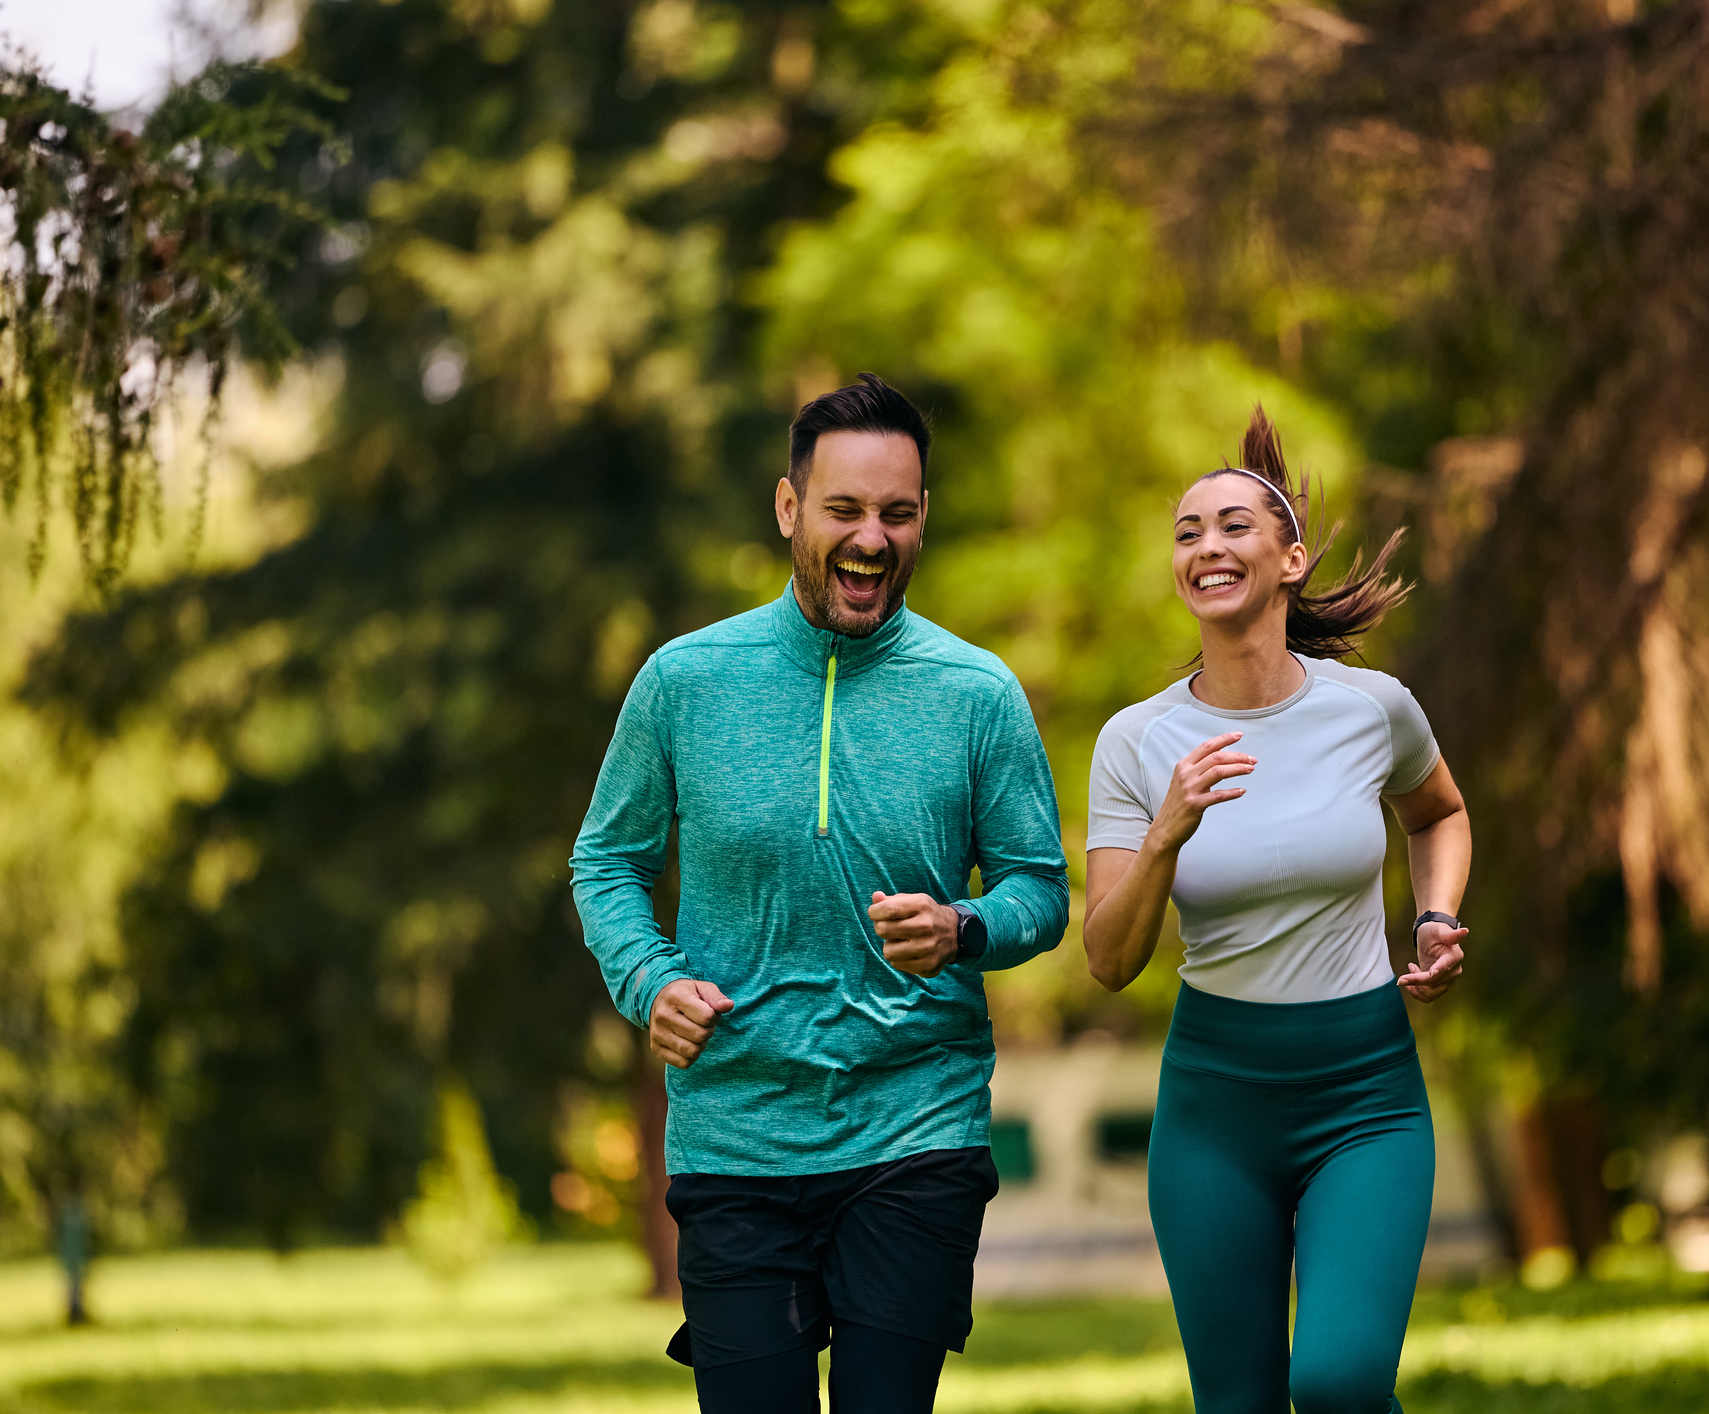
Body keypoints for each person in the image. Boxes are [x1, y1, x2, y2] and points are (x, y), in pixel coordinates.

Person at [570, 374, 1069, 1414]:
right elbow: (606, 861)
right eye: (845, 510)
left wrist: (966, 925)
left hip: (915, 1127)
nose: (872, 539)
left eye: (897, 512)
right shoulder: (685, 681)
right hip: (737, 1130)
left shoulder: (976, 693)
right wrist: (648, 979)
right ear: (790, 507)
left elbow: (1040, 890)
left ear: (924, 516)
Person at [1082, 406, 1471, 1414]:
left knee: (1339, 1384)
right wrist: (1165, 834)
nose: (1206, 545)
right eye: (1186, 532)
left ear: (1291, 558)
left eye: (1233, 525)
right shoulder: (1136, 743)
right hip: (1217, 1107)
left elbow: (1441, 812)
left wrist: (1433, 917)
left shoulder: (1370, 707)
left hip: (1364, 1095)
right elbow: (1108, 959)